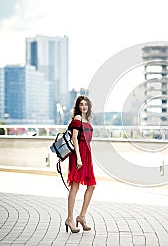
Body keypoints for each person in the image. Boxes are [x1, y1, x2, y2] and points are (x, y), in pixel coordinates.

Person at [64, 95, 96, 233]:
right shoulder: (77, 119)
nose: (84, 106)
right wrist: (78, 157)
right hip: (79, 155)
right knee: (75, 186)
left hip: (87, 155)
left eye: (86, 104)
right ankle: (70, 218)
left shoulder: (86, 120)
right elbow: (74, 138)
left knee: (92, 185)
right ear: (78, 106)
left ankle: (81, 216)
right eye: (81, 104)